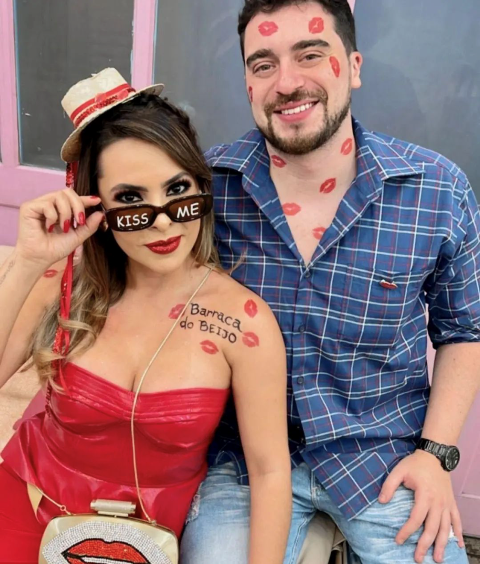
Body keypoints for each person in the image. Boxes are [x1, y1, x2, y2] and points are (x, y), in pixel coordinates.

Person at [180, 1, 480, 563]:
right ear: (247, 82)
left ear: (355, 67)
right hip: (244, 461)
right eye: (263, 64)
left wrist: (435, 455)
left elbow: (464, 331)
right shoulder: (207, 190)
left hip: (385, 460)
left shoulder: (437, 192)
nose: (287, 82)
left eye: (310, 54)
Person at [0, 68, 291, 563]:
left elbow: (269, 472)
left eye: (178, 191)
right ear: (96, 206)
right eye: (130, 200)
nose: (162, 221)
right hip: (29, 503)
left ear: (201, 188)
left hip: (147, 542)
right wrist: (28, 261)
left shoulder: (244, 322)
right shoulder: (61, 282)